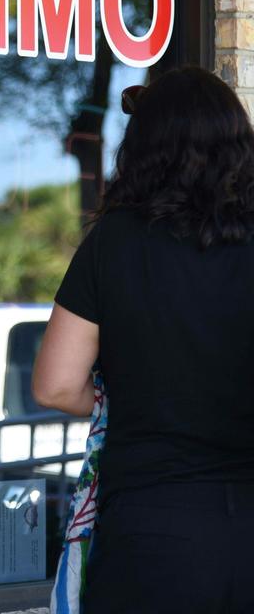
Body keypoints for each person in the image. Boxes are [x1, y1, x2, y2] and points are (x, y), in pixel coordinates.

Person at [32, 66, 254, 614]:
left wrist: (127, 397)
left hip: (155, 535)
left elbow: (56, 386)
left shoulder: (116, 241)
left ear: (144, 146)